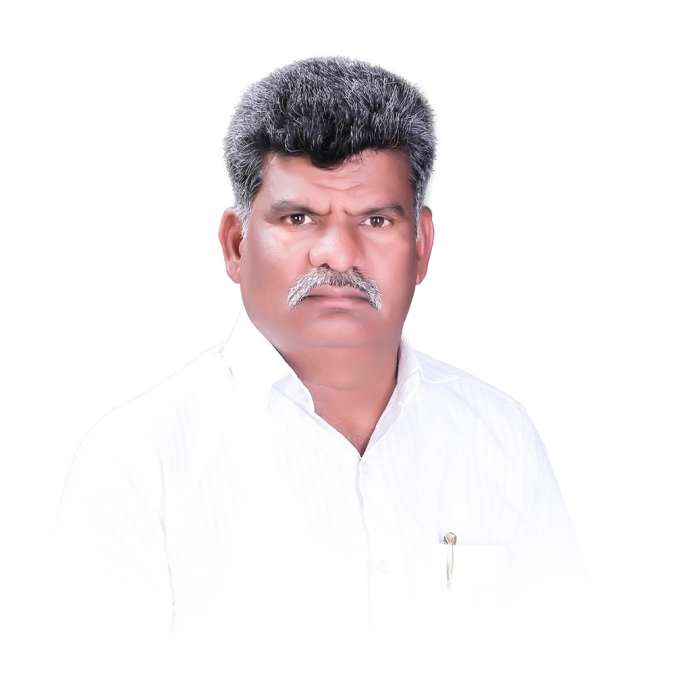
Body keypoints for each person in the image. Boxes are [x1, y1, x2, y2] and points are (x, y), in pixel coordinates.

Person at [51, 56, 587, 673]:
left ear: (421, 245)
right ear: (236, 243)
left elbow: (569, 649)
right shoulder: (139, 458)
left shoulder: (498, 435)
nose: (337, 254)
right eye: (298, 218)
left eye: (376, 220)